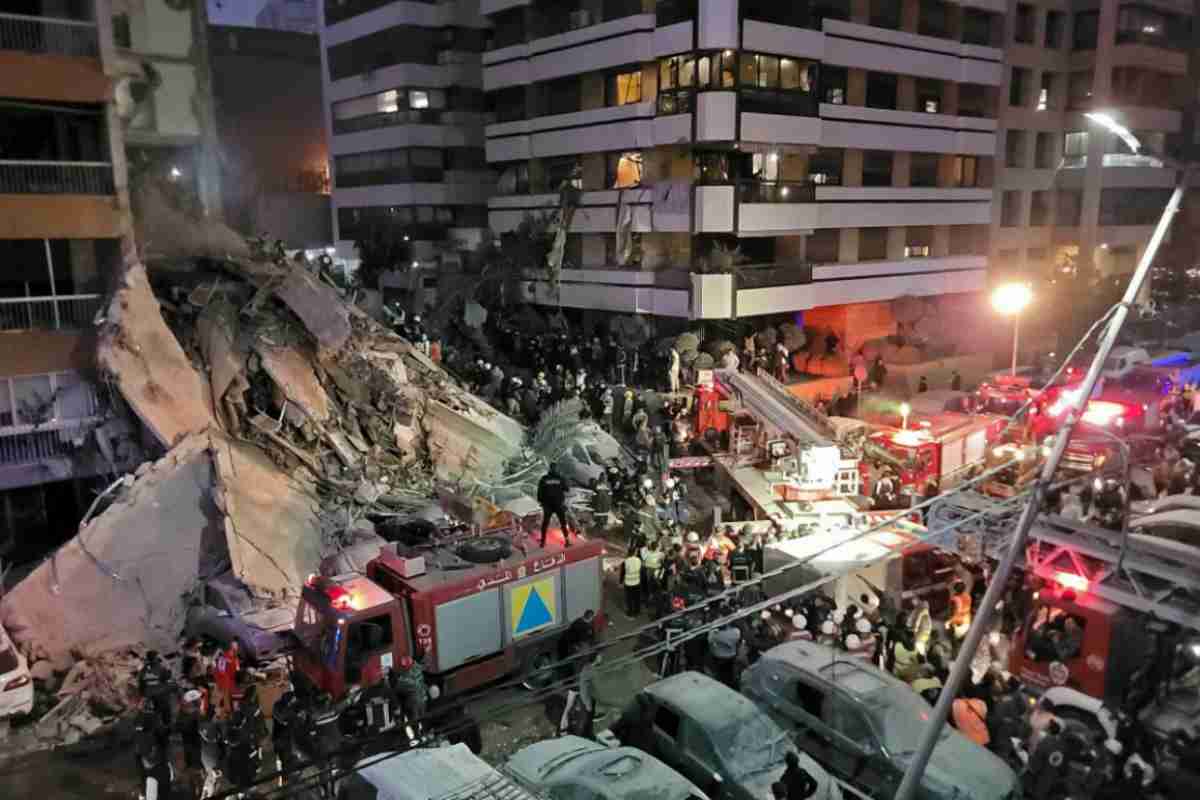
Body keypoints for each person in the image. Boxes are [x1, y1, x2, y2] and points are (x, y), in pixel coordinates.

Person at [1025, 719, 1069, 800]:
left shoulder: (1046, 742)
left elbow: (1034, 766)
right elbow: (1064, 769)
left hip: (1038, 784)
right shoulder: (1063, 746)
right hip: (1051, 784)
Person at [391, 654, 429, 730]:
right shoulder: (418, 667)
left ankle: (418, 734)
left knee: (415, 721)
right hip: (423, 698)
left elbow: (397, 687)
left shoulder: (406, 677)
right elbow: (424, 665)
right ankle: (425, 731)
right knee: (423, 718)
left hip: (414, 702)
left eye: (404, 667)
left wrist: (393, 675)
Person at [537, 465, 570, 548]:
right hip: (558, 504)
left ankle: (543, 542)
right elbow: (567, 489)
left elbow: (540, 491)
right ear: (556, 469)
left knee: (545, 523)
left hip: (547, 505)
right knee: (563, 522)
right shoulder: (560, 478)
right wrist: (564, 480)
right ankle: (567, 540)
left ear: (549, 469)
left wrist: (541, 502)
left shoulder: (544, 479)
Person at [213, 640, 240, 719]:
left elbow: (236, 669)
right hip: (225, 683)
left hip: (229, 683)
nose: (235, 651)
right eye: (234, 649)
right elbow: (221, 671)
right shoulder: (224, 658)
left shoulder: (234, 658)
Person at [621, 547, 643, 618]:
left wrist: (620, 582)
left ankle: (630, 613)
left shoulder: (625, 561)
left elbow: (623, 573)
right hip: (637, 582)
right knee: (637, 598)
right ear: (634, 553)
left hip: (628, 583)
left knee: (629, 599)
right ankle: (637, 611)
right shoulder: (638, 560)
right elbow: (640, 570)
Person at [641, 540, 664, 605]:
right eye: (659, 546)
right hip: (656, 571)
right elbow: (662, 562)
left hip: (647, 570)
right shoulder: (661, 554)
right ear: (657, 547)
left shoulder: (647, 553)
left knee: (647, 585)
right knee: (654, 586)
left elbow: (643, 559)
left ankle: (647, 598)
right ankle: (651, 599)